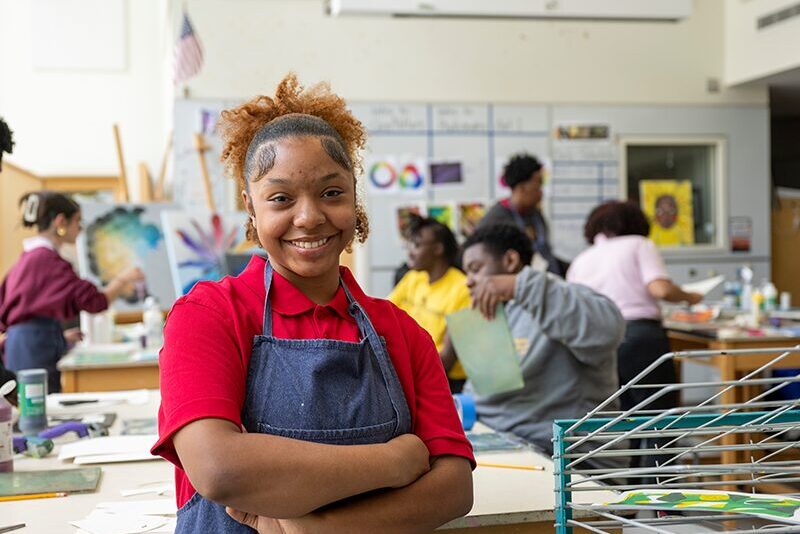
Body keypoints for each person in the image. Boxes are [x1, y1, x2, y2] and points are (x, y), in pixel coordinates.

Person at [151, 74, 474, 534]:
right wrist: (393, 460)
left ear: (354, 197)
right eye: (280, 198)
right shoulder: (209, 315)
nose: (309, 217)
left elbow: (453, 487)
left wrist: (319, 529)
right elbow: (219, 468)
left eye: (331, 192)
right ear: (251, 206)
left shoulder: (401, 332)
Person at [461, 223, 625, 468]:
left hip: (571, 460)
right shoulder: (494, 316)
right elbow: (484, 398)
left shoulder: (560, 296)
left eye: (475, 269)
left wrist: (518, 286)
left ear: (510, 260)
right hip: (509, 449)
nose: (468, 282)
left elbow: (610, 329)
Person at [0, 192, 144, 393]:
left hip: (26, 345)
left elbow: (20, 312)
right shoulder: (47, 261)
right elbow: (94, 302)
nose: (80, 229)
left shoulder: (30, 258)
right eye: (77, 222)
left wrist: (58, 336)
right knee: (36, 411)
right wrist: (123, 280)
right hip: (33, 349)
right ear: (60, 221)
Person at [567, 200, 703, 413]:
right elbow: (661, 290)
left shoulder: (581, 260)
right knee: (657, 416)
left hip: (595, 342)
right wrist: (690, 296)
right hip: (638, 337)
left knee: (618, 416)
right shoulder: (639, 244)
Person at [389, 215, 471, 392]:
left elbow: (447, 359)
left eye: (417, 245)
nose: (410, 252)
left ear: (438, 249)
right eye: (409, 245)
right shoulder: (413, 278)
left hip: (444, 381)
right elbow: (382, 319)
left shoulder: (463, 289)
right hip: (408, 371)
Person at [477, 153, 565, 275]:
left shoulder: (536, 215)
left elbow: (544, 254)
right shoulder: (494, 221)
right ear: (521, 188)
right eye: (538, 185)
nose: (541, 192)